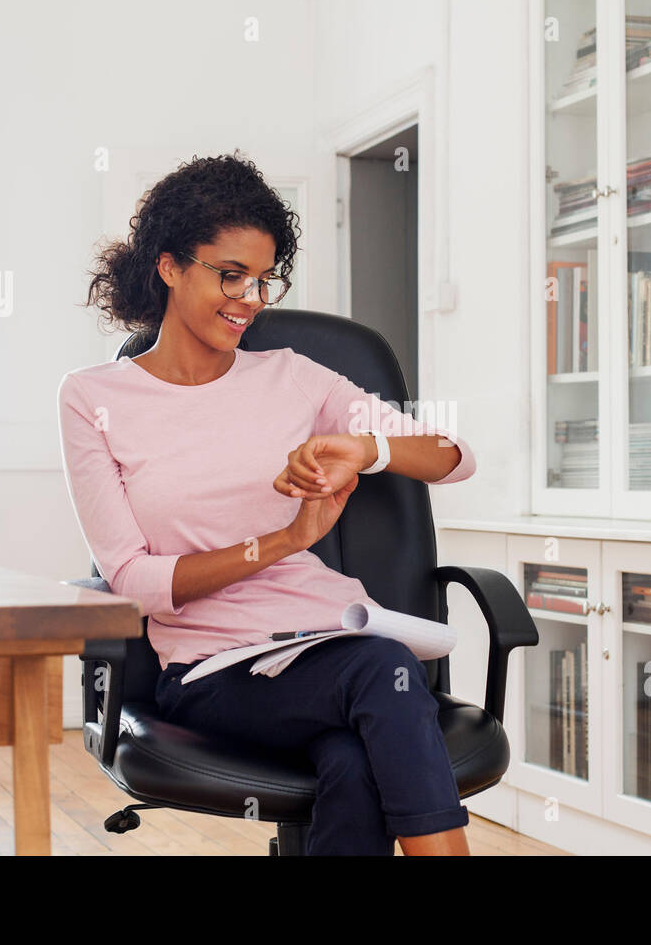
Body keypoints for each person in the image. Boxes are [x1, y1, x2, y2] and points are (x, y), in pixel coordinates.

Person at [57, 150, 477, 855]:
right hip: (209, 668)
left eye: (263, 279)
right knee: (385, 669)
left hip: (325, 643)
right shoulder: (93, 398)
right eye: (230, 275)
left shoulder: (293, 377)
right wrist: (283, 541)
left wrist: (367, 449)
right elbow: (135, 582)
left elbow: (453, 457)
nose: (250, 298)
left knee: (351, 761)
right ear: (169, 266)